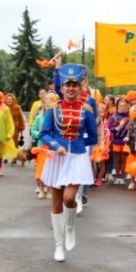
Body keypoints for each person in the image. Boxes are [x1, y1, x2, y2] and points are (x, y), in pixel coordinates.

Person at [39, 64, 98, 261]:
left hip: (78, 158)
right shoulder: (53, 109)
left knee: (69, 198)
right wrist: (57, 145)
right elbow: (44, 134)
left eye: (75, 85)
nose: (71, 89)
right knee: (56, 202)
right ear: (62, 88)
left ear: (80, 87)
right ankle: (58, 245)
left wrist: (78, 145)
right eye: (67, 85)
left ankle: (70, 227)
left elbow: (93, 136)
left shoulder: (87, 110)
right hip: (57, 157)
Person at [108, 97, 131, 184]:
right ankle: (118, 176)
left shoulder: (130, 117)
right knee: (117, 159)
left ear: (127, 107)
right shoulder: (113, 116)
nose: (122, 107)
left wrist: (128, 127)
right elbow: (110, 128)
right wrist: (116, 128)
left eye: (124, 106)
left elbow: (131, 129)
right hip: (117, 140)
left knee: (124, 159)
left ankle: (122, 177)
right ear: (117, 106)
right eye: (120, 106)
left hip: (125, 140)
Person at [5, 92, 26, 157]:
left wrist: (21, 127)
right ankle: (6, 155)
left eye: (11, 99)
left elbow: (21, 118)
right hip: (5, 128)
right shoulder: (3, 107)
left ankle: (14, 156)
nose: (9, 100)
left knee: (14, 142)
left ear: (13, 100)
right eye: (8, 99)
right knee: (6, 142)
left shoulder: (17, 108)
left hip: (15, 129)